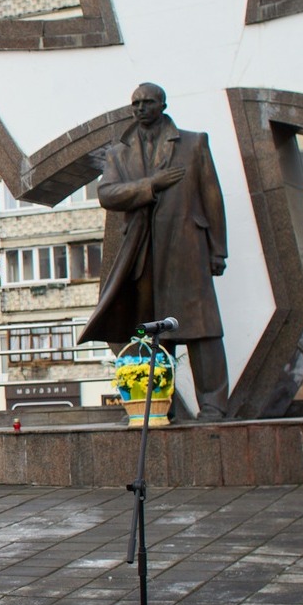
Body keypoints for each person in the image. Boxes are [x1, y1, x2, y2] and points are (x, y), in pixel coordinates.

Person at [81, 82, 230, 418]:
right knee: (152, 334)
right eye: (135, 103)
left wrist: (218, 250)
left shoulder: (193, 143)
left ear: (162, 105)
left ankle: (213, 406)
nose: (140, 108)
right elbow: (107, 194)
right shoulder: (120, 153)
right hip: (143, 252)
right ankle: (158, 407)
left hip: (187, 248)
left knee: (202, 329)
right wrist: (150, 185)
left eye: (147, 102)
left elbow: (212, 198)